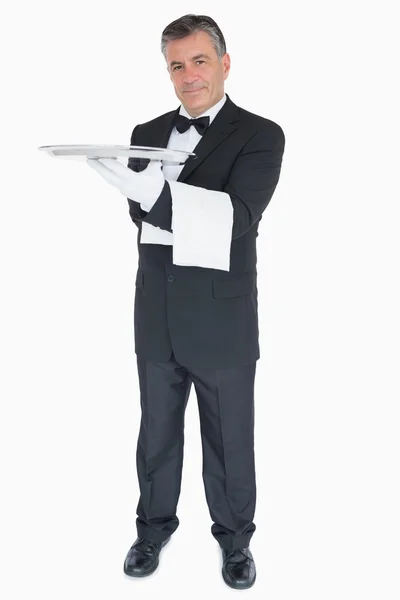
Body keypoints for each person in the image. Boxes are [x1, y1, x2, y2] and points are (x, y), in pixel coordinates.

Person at [87, 13, 285, 590]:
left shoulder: (260, 133)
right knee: (155, 434)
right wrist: (157, 202)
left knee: (229, 437)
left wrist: (152, 193)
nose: (189, 75)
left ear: (225, 63)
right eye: (177, 65)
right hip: (155, 312)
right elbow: (138, 215)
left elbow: (238, 220)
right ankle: (152, 531)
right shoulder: (146, 129)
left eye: (200, 61)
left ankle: (235, 542)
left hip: (222, 316)